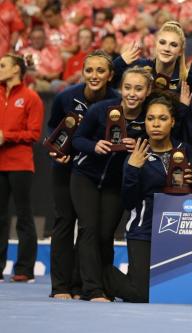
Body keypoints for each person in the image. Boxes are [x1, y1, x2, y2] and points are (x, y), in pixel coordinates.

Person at [71, 66, 153, 301]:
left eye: (138, 89)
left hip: (115, 185)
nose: (132, 93)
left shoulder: (148, 119)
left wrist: (138, 144)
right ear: (120, 88)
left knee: (105, 235)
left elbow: (152, 146)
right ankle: (91, 289)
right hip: (84, 176)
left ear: (147, 92)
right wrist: (94, 146)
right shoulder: (101, 110)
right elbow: (77, 139)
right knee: (88, 228)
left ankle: (102, 285)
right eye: (127, 87)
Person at [104, 97, 191, 303]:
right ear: (145, 123)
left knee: (174, 291)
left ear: (172, 122)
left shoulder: (185, 151)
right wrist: (133, 169)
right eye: (151, 118)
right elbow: (127, 201)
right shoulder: (137, 154)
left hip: (178, 230)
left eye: (162, 118)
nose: (156, 124)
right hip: (143, 231)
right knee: (140, 294)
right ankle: (95, 272)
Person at [47, 50, 119, 299]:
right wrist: (56, 152)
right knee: (65, 222)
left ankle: (81, 285)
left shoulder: (117, 101)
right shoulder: (65, 97)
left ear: (110, 75)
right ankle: (60, 286)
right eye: (89, 70)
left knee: (92, 228)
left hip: (94, 174)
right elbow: (53, 128)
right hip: (65, 169)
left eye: (100, 70)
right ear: (82, 72)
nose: (94, 75)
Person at [0, 54, 44, 283]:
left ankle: (25, 269)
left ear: (16, 69)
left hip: (20, 164)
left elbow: (34, 134)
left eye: (2, 65)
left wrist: (6, 136)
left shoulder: (31, 98)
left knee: (24, 216)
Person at [115, 21, 192, 95]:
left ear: (180, 51)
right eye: (162, 43)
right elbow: (110, 79)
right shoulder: (140, 67)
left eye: (173, 45)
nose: (167, 49)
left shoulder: (183, 80)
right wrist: (121, 61)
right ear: (156, 45)